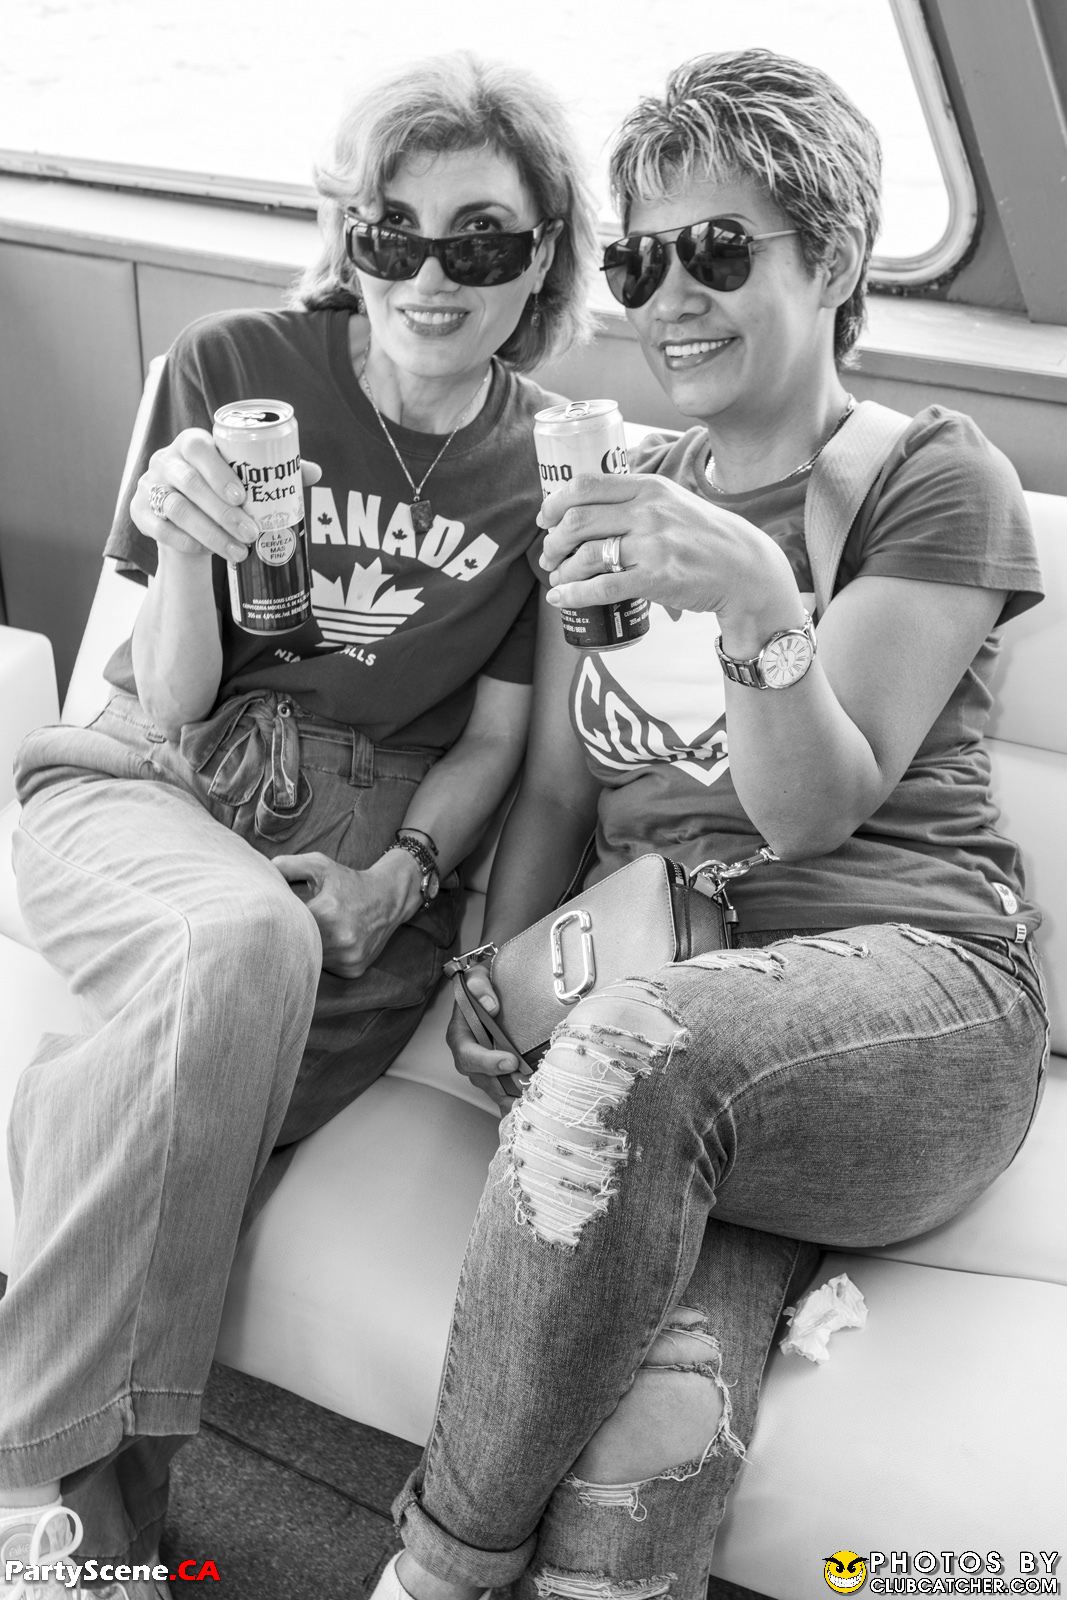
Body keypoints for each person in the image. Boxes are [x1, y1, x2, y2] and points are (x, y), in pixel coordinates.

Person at [376, 48, 1049, 1600]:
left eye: (720, 250)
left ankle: (431, 1573)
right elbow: (560, 790)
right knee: (651, 1430)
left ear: (837, 257)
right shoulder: (612, 490)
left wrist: (755, 594)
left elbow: (813, 814)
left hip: (918, 1004)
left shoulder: (932, 475)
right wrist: (494, 980)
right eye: (639, 260)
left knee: (636, 1052)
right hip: (680, 1021)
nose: (669, 296)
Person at [0, 50, 596, 1600]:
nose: (429, 276)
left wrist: (400, 884)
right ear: (350, 236)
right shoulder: (233, 367)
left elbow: (501, 741)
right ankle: (24, 1476)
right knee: (242, 942)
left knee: (194, 1125)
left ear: (542, 253)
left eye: (478, 240)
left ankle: (96, 1541)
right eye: (392, 233)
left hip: (360, 858)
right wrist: (186, 544)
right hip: (150, 780)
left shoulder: (546, 463)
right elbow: (174, 696)